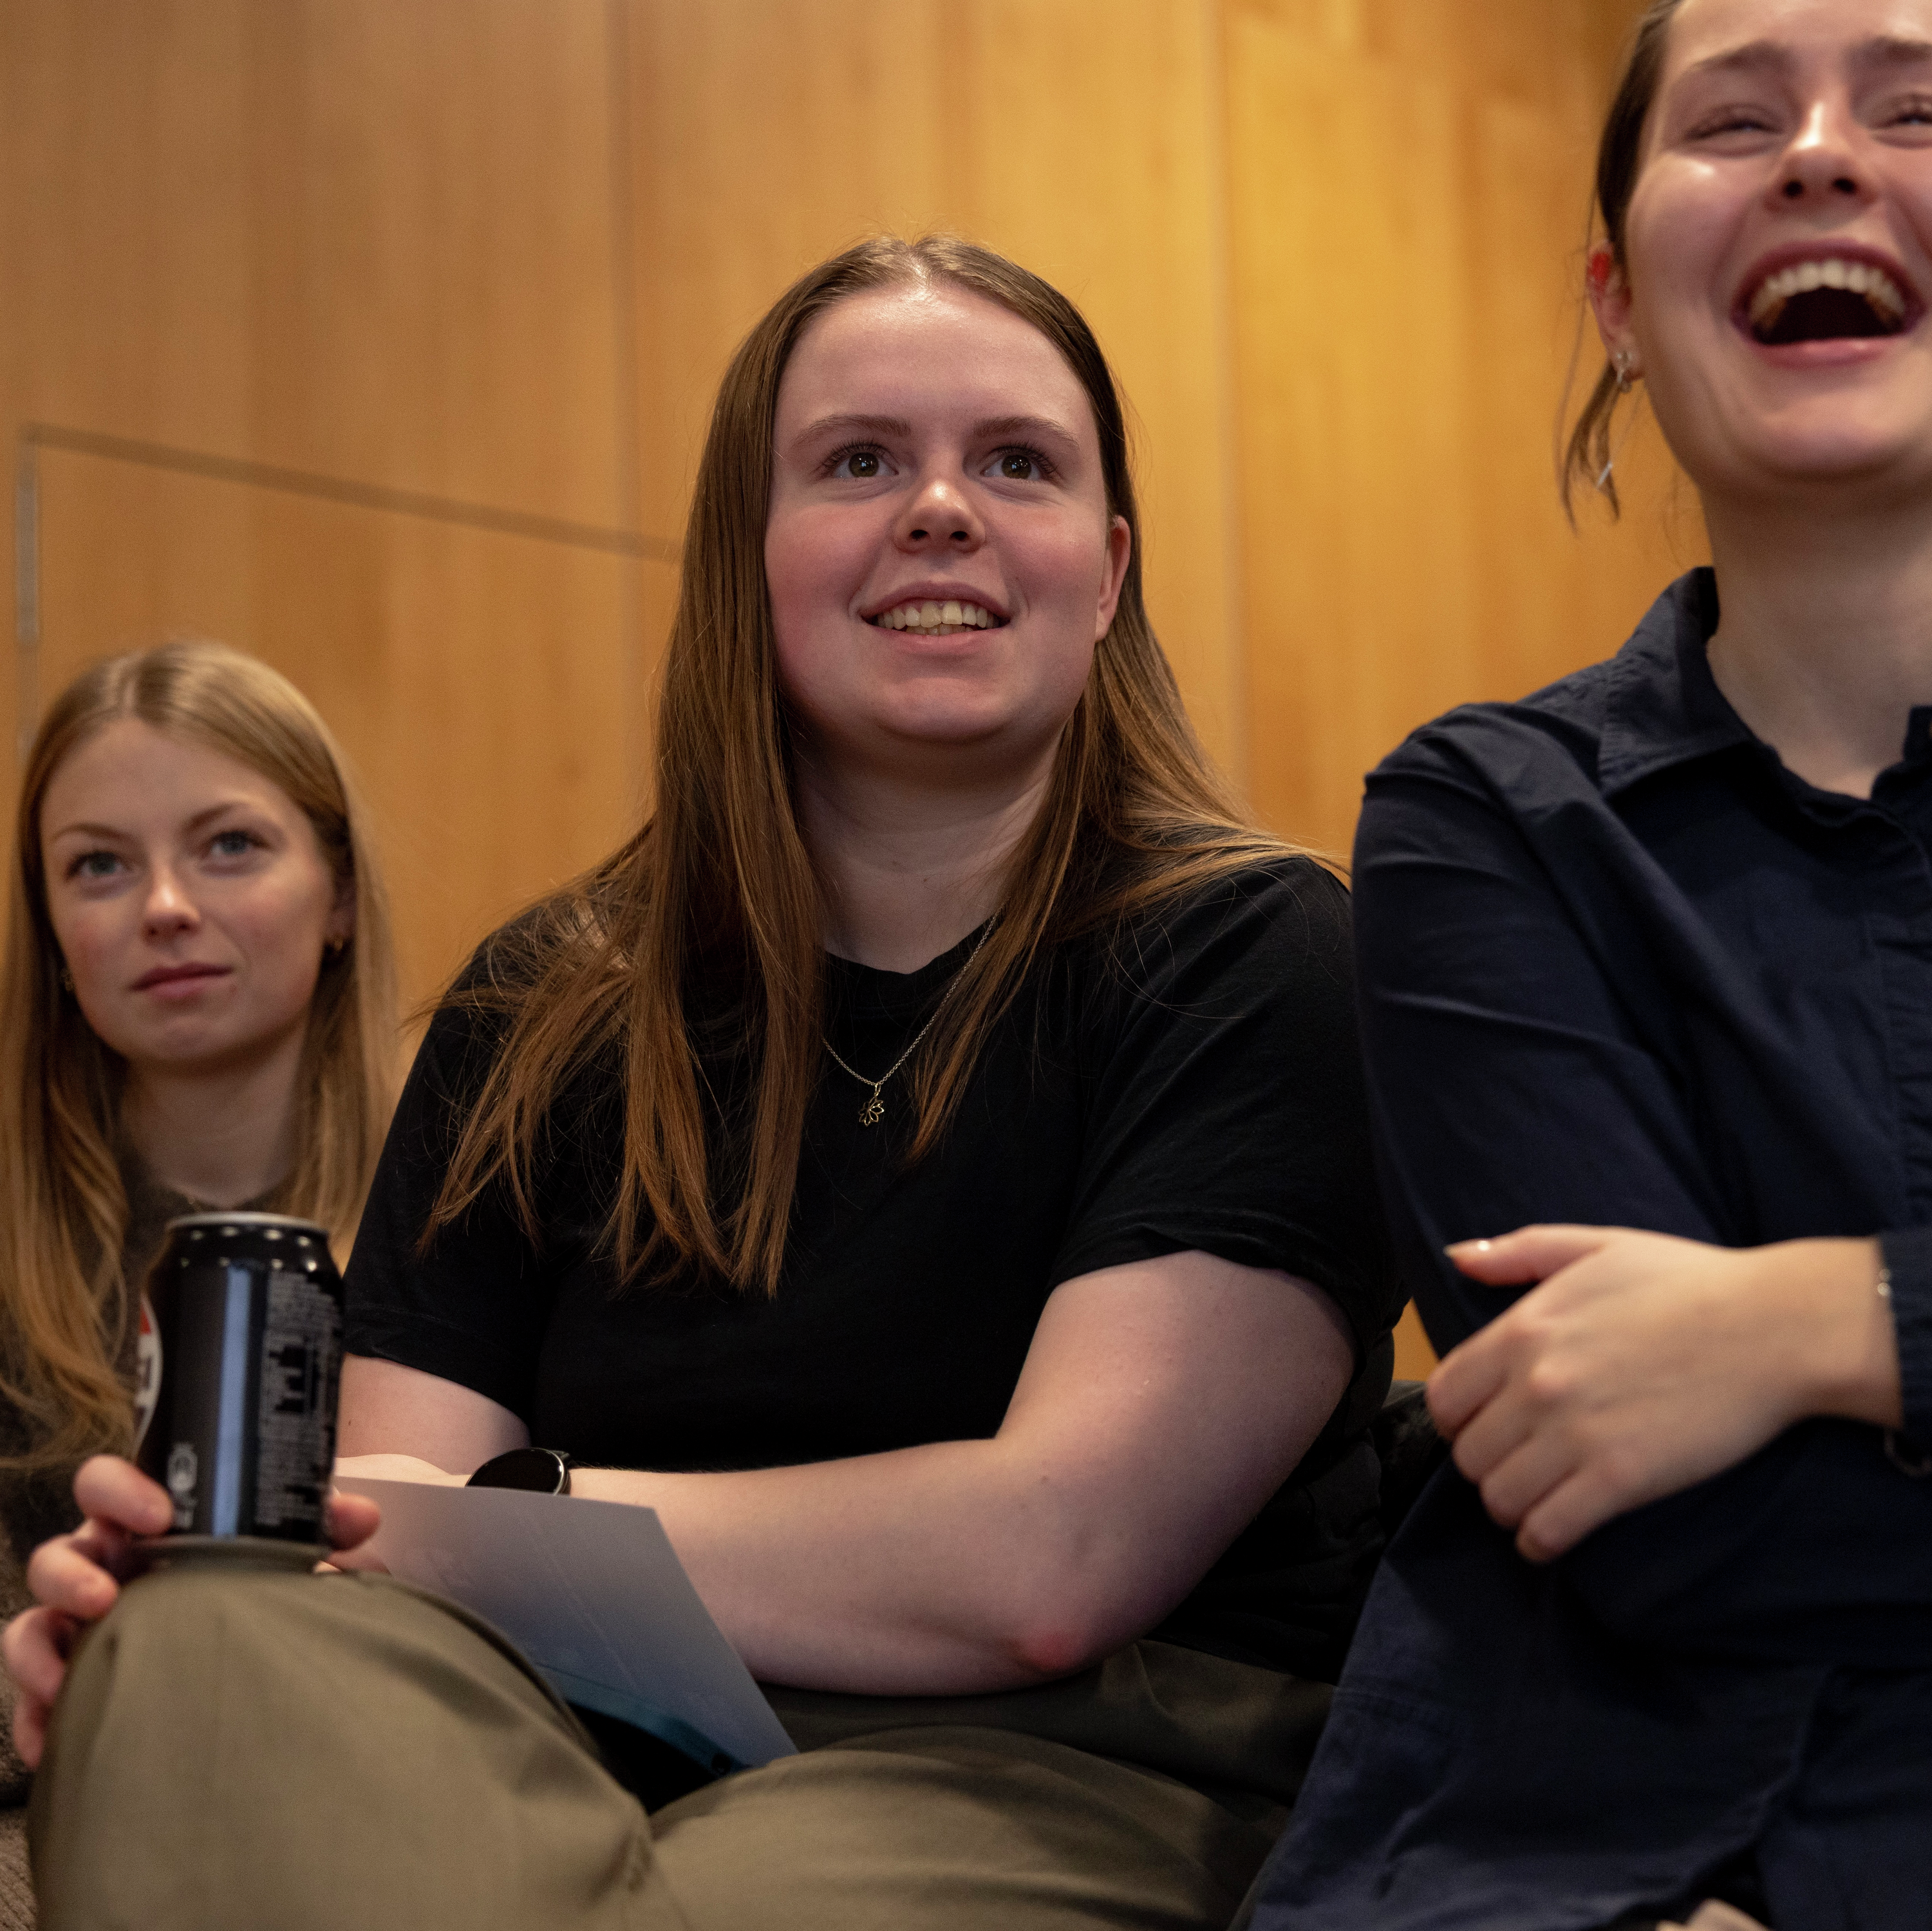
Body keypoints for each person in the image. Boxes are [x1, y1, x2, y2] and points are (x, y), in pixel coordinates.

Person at [6, 238, 1399, 1931]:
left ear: (1106, 573)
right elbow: (380, 1551)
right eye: (861, 460)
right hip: (559, 1735)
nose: (942, 508)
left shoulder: (1258, 957)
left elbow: (1051, 1565)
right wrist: (197, 1604)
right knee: (197, 1630)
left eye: (1015, 462)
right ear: (751, 559)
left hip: (1062, 1759)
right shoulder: (549, 997)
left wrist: (526, 1518)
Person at [1244, 4, 1932, 1928]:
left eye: (1916, 107)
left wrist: (1820, 1319)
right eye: (1733, 117)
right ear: (1620, 303)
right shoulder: (1487, 821)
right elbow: (1667, 1520)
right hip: (1567, 1857)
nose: (1819, 153)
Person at [0, 641, 397, 1899]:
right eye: (99, 866)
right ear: (53, 932)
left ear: (337, 895)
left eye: (228, 844)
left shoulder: (471, 1212)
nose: (164, 906)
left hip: (384, 1808)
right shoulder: (15, 1249)